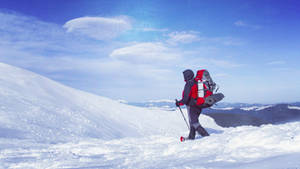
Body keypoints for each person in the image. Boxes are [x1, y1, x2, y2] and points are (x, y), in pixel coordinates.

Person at [176, 69, 209, 140]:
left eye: (184, 76)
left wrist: (179, 103)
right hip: (199, 105)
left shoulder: (189, 84)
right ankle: (191, 136)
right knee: (192, 121)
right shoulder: (197, 82)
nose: (183, 77)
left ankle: (206, 136)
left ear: (187, 76)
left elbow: (185, 98)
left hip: (192, 106)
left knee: (194, 122)